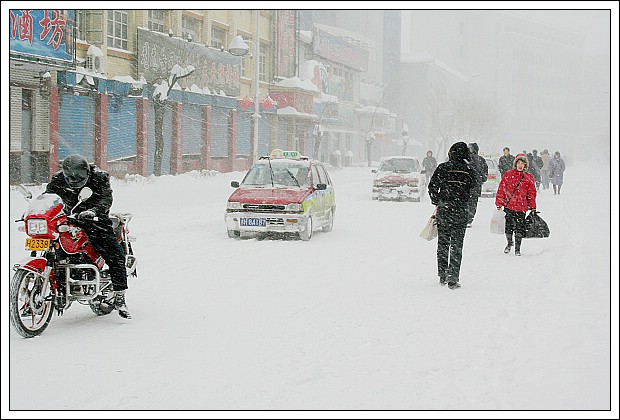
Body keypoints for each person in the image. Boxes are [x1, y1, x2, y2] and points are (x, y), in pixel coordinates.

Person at [45, 154, 131, 318]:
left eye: (78, 175)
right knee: (53, 245)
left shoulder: (98, 177)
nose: (74, 179)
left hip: (94, 220)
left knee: (113, 254)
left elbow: (106, 198)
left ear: (86, 171)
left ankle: (120, 296)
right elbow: (48, 197)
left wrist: (93, 211)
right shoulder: (58, 179)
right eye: (70, 176)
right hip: (66, 219)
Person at [428, 142, 477, 290]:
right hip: (460, 211)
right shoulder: (469, 170)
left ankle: (442, 273)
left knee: (443, 243)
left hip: (444, 210)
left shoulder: (443, 168)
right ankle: (453, 277)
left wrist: (437, 200)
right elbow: (474, 187)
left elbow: (432, 186)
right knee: (457, 245)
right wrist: (463, 197)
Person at [495, 153, 537, 256]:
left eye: (522, 163)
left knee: (519, 229)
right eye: (518, 162)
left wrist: (532, 207)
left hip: (521, 208)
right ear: (515, 163)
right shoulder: (508, 175)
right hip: (509, 206)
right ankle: (509, 243)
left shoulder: (528, 177)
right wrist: (499, 203)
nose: (520, 165)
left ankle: (517, 249)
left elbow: (531, 194)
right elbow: (501, 189)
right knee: (508, 228)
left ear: (525, 165)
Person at [466, 142, 488, 227]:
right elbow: (485, 173)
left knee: (466, 202)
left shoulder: (467, 159)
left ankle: (466, 218)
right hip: (476, 186)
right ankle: (469, 219)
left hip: (467, 185)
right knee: (473, 203)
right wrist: (481, 178)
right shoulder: (481, 160)